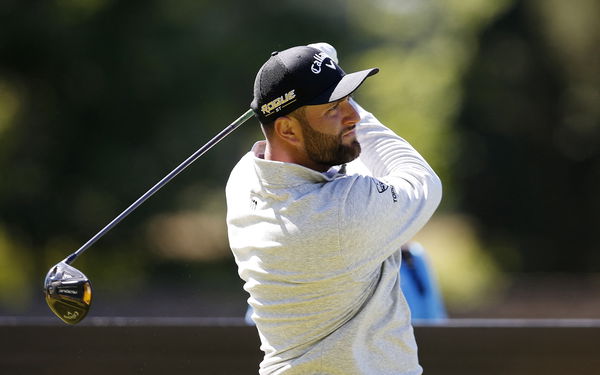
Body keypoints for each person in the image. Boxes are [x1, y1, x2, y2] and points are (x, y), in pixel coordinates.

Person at [225, 43, 442, 375]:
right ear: (286, 129)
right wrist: (352, 107)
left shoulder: (244, 180)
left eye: (348, 101)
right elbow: (421, 181)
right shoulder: (342, 213)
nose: (353, 114)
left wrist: (317, 75)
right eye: (334, 108)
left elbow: (320, 161)